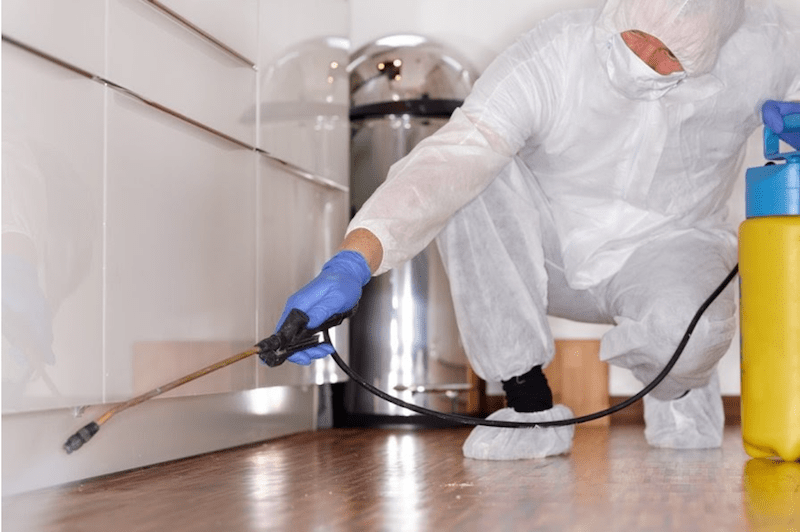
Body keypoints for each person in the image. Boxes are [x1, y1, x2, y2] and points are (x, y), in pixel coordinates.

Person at [275, 0, 800, 460]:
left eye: (674, 60)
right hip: (545, 252)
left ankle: (677, 387)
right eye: (641, 41)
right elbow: (454, 158)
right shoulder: (554, 53)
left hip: (671, 247)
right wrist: (352, 261)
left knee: (693, 333)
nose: (651, 64)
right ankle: (528, 400)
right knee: (475, 177)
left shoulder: (765, 50)